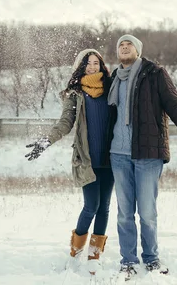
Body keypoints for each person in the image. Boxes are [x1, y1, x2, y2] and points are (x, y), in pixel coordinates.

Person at [106, 34, 177, 279]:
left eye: (129, 44)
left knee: (147, 211)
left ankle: (151, 259)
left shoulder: (154, 73)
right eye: (121, 45)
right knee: (124, 212)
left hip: (147, 153)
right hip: (118, 154)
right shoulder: (113, 79)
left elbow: (173, 104)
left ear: (138, 50)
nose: (124, 47)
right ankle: (128, 260)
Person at [25, 49, 114, 274]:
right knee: (91, 206)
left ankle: (95, 256)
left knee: (104, 208)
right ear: (81, 67)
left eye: (96, 63)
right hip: (86, 159)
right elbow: (65, 123)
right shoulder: (75, 94)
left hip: (111, 159)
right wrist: (47, 141)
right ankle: (75, 254)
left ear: (102, 66)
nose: (93, 67)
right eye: (88, 64)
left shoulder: (112, 91)